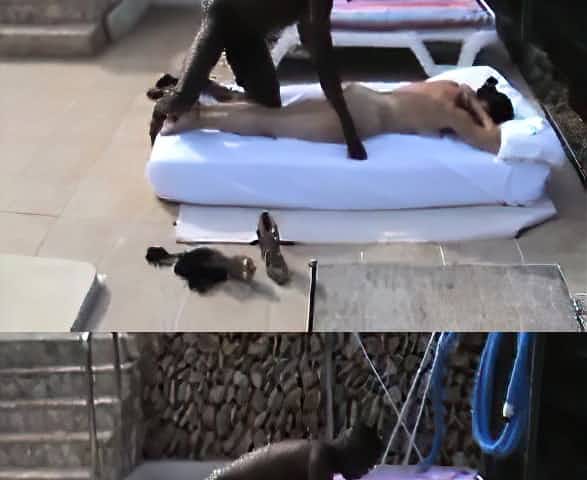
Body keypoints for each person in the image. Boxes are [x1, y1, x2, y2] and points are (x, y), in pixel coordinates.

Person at [160, 77, 514, 155]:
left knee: (276, 114)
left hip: (360, 94)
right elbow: (494, 142)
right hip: (364, 117)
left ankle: (200, 108)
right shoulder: (453, 114)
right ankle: (198, 119)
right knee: (272, 124)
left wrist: (470, 96)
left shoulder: (448, 87)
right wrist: (478, 112)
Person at [203, 421, 384, 480]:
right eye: (368, 464)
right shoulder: (320, 459)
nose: (367, 472)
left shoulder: (317, 451)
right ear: (354, 453)